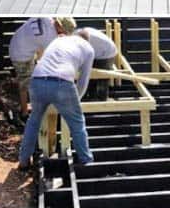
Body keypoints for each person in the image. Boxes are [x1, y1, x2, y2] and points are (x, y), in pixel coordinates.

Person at [19, 31, 95, 169]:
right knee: (77, 123)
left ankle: (23, 160)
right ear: (87, 40)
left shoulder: (58, 40)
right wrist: (75, 101)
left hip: (37, 80)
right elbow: (83, 81)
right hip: (62, 83)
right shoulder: (88, 49)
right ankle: (86, 160)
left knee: (34, 120)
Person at [9, 17, 76, 123]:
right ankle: (24, 113)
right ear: (60, 27)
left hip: (19, 42)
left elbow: (40, 48)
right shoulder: (50, 37)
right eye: (64, 32)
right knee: (25, 83)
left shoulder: (47, 18)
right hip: (21, 55)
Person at [77, 27, 118, 101]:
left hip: (108, 53)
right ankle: (90, 96)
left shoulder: (88, 44)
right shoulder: (76, 35)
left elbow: (85, 60)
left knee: (102, 76)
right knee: (91, 75)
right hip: (100, 49)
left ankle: (102, 100)